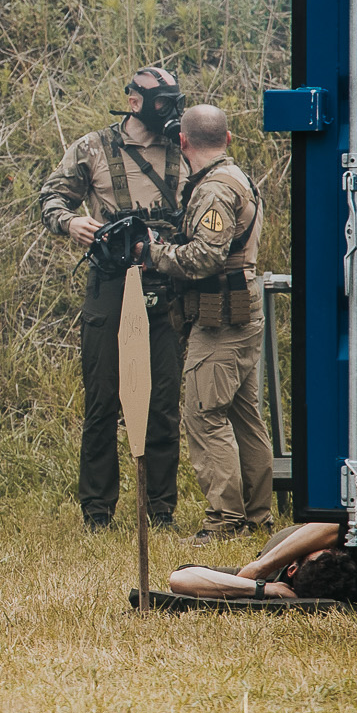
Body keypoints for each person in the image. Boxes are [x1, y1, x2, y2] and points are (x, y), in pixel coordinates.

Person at [39, 66, 186, 531]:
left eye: (174, 101)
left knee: (163, 402)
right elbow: (50, 198)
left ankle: (161, 510)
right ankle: (97, 512)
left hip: (166, 287)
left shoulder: (183, 149)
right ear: (135, 101)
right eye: (161, 102)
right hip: (109, 285)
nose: (170, 111)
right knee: (102, 401)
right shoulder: (92, 148)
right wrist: (71, 223)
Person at [141, 103, 274, 545]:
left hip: (221, 322)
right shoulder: (238, 178)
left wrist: (153, 254)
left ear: (182, 142)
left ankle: (224, 520)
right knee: (243, 416)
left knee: (203, 417)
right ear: (229, 138)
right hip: (241, 317)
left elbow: (205, 256)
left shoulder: (214, 190)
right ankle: (257, 514)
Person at [169, 520, 357, 602]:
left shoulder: (273, 576)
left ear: (291, 568)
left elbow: (181, 578)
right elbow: (337, 525)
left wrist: (261, 584)